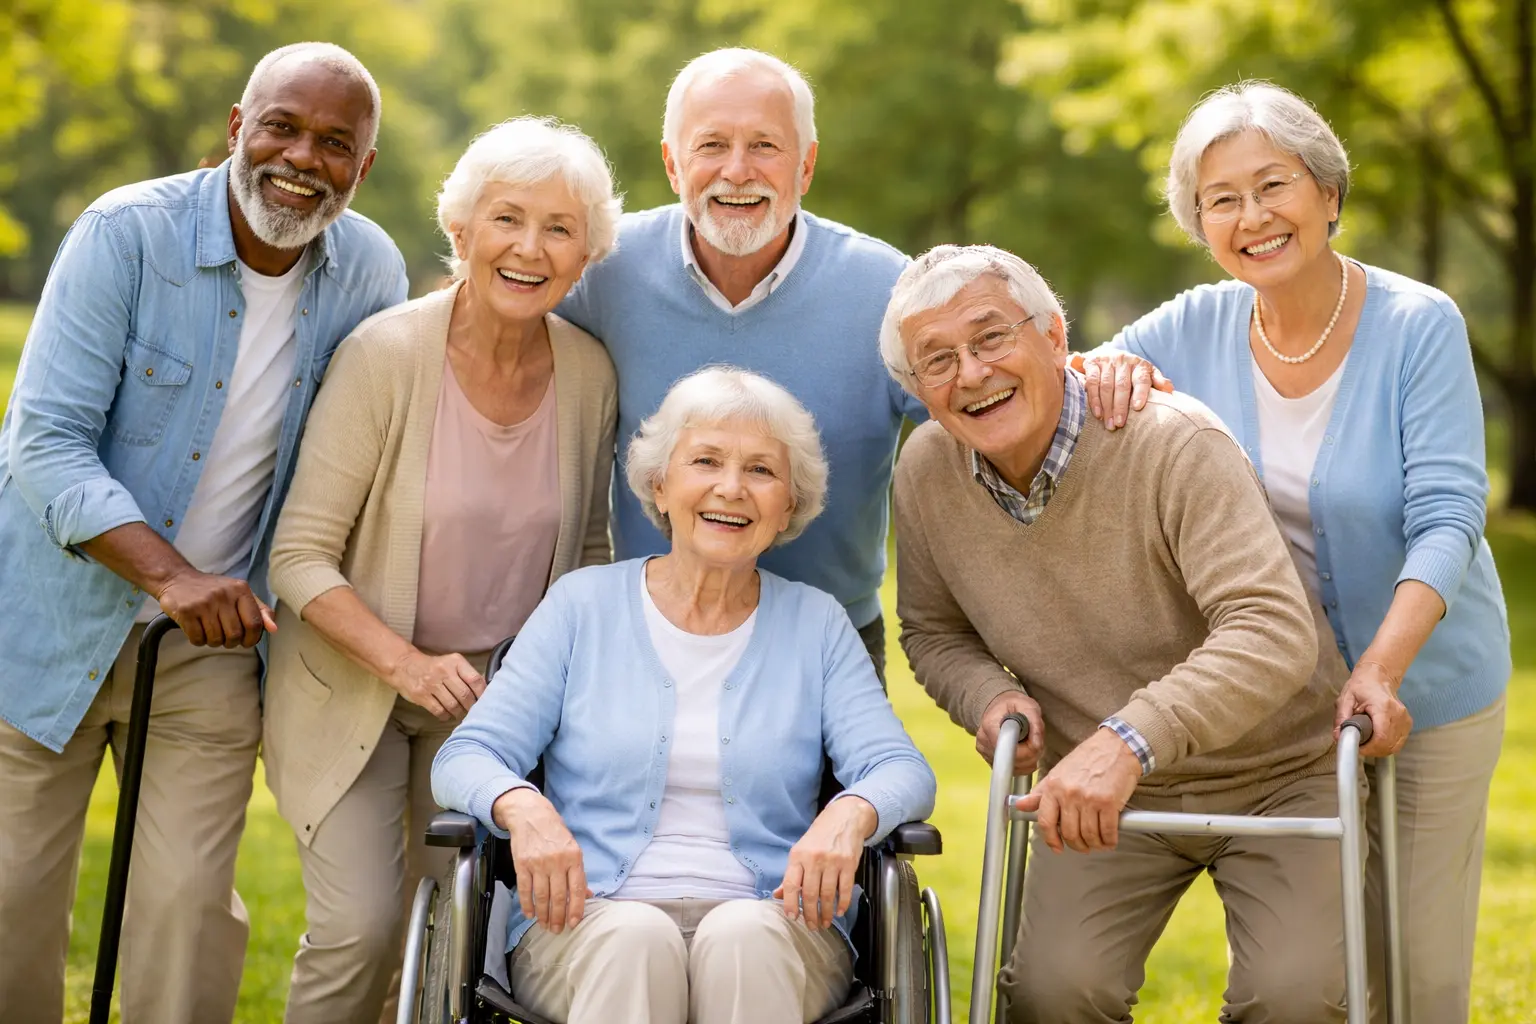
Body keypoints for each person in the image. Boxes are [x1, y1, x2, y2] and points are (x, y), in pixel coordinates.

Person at [886, 244, 1407, 1023]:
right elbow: (932, 629)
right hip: (1095, 795)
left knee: (1293, 999)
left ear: (1056, 337)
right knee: (1053, 996)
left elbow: (1269, 629)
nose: (971, 373)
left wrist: (1126, 741)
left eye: (992, 337)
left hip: (1273, 772)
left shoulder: (1172, 444)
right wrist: (988, 699)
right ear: (919, 391)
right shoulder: (925, 473)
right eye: (938, 360)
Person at [1081, 82, 1509, 1024]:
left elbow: (1448, 513)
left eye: (1272, 185)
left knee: (1415, 979)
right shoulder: (1188, 326)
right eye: (1220, 199)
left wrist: (1384, 673)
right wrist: (1103, 365)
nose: (1252, 216)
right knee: (1312, 979)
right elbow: (1067, 384)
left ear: (1327, 192)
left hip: (1425, 686)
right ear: (1198, 223)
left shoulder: (1416, 323)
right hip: (1282, 716)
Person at [0, 42, 405, 1024]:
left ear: (364, 167)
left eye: (334, 143)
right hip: (47, 622)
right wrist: (172, 574)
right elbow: (44, 443)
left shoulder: (371, 274)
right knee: (9, 901)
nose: (302, 157)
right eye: (281, 126)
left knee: (183, 914)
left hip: (212, 649)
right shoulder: (125, 234)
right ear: (236, 126)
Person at [432, 367, 936, 1024]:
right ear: (660, 485)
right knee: (634, 939)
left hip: (777, 927)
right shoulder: (582, 607)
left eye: (761, 470)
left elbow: (902, 769)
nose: (731, 488)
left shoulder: (816, 624)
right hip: (586, 925)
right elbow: (467, 755)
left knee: (742, 938)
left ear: (789, 504)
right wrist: (524, 809)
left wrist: (850, 815)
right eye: (706, 461)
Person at [262, 116, 620, 1024]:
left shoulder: (589, 374)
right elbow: (299, 554)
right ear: (461, 231)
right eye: (506, 219)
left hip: (490, 711)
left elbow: (584, 553)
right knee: (363, 929)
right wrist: (407, 665)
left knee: (461, 947)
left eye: (559, 228)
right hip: (355, 690)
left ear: (587, 254)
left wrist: (550, 691)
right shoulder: (385, 355)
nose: (529, 248)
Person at [555, 47, 927, 680]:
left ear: (806, 166)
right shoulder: (603, 274)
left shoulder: (889, 290)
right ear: (673, 164)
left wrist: (1107, 376)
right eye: (711, 146)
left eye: (764, 146)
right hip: (651, 638)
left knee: (867, 784)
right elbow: (490, 330)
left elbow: (987, 409)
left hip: (831, 645)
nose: (736, 171)